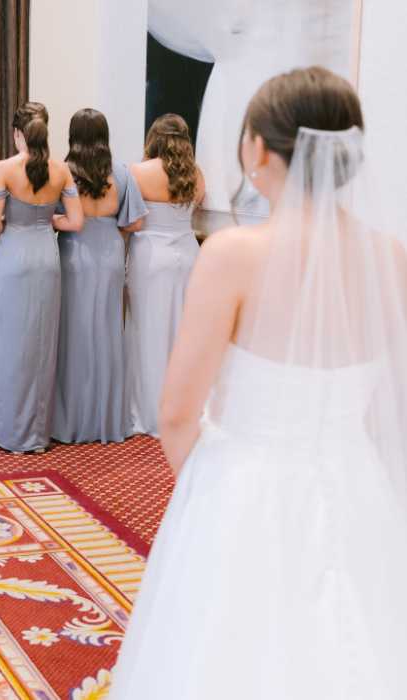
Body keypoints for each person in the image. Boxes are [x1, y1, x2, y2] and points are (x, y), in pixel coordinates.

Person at [110, 67, 407, 698]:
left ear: (255, 149)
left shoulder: (233, 255)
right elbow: (385, 409)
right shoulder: (394, 260)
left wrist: (211, 493)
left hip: (246, 483)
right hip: (353, 480)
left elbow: (175, 414)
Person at [0, 102, 82, 453]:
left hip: (15, 257)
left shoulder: (3, 169)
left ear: (17, 134)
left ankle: (13, 434)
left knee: (14, 347)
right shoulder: (61, 171)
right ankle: (38, 435)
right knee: (43, 345)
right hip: (47, 256)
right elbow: (76, 222)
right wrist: (47, 221)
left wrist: (20, 221)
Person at [52, 108, 147, 444]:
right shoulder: (120, 173)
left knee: (72, 335)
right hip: (109, 254)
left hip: (72, 253)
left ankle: (70, 422)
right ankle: (107, 421)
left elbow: (49, 213)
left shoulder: (62, 173)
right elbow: (135, 223)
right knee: (107, 334)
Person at [126, 114, 206, 436]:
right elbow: (195, 209)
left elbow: (128, 220)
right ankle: (184, 409)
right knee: (181, 334)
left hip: (151, 258)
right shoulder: (198, 175)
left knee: (148, 334)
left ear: (153, 138)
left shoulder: (136, 172)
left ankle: (150, 411)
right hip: (189, 256)